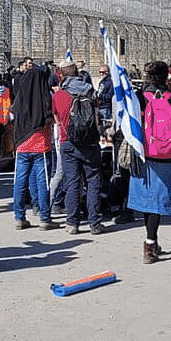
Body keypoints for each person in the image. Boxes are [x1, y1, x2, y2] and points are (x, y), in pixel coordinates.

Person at [128, 61, 171, 263]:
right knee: (157, 201)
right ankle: (151, 242)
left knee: (146, 200)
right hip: (164, 154)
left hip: (144, 152)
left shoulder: (140, 97)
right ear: (165, 77)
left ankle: (150, 241)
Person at [53, 63, 103, 235]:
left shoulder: (59, 94)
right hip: (90, 143)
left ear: (62, 75)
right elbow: (97, 114)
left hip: (68, 142)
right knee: (93, 182)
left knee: (72, 183)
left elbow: (57, 118)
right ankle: (95, 223)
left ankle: (72, 223)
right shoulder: (89, 90)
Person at [9, 64, 56, 230]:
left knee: (20, 182)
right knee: (43, 183)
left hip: (22, 144)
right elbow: (50, 118)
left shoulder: (19, 98)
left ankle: (19, 217)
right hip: (41, 145)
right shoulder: (45, 96)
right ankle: (44, 217)